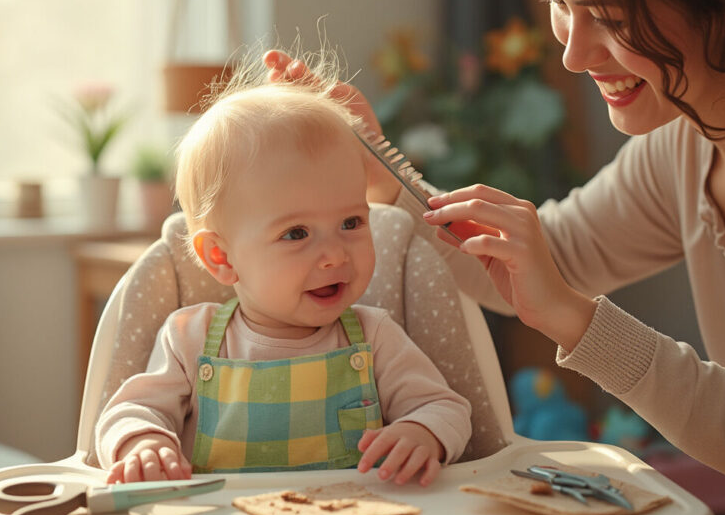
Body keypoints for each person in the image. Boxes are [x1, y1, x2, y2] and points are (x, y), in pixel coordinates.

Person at [266, 0, 725, 515]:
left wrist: (570, 316)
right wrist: (387, 179)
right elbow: (540, 264)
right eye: (558, 2)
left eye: (611, 17)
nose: (573, 54)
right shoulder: (684, 149)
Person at [95, 64, 472, 487]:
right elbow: (128, 412)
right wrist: (144, 444)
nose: (334, 255)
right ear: (221, 257)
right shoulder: (190, 340)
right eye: (296, 233)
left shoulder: (375, 339)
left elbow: (446, 408)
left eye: (351, 223)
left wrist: (421, 432)